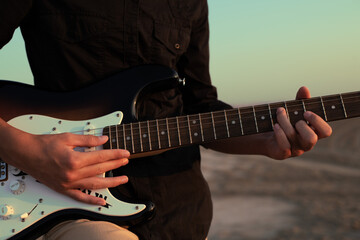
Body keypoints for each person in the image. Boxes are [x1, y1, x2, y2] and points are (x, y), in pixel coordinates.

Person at [0, 0, 332, 239]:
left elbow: (200, 107)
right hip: (67, 204)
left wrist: (266, 141)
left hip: (180, 213)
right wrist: (25, 149)